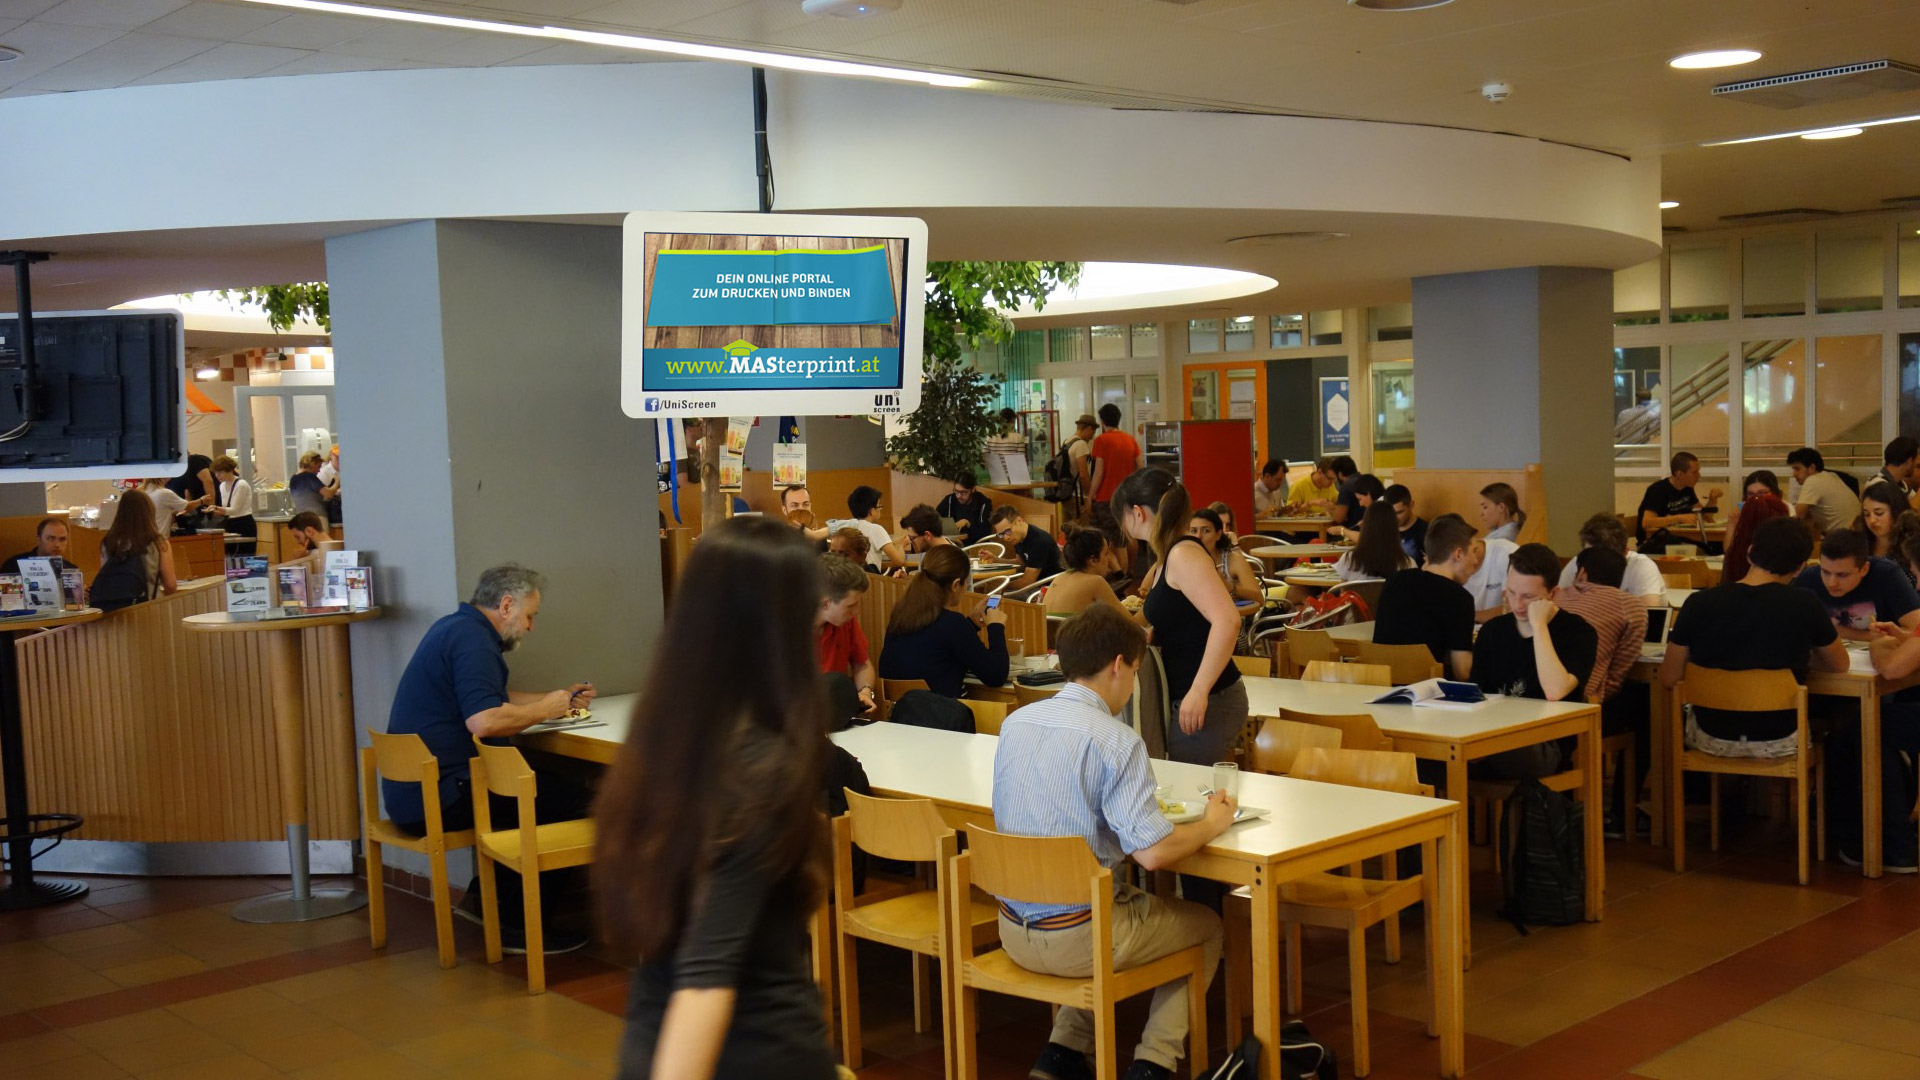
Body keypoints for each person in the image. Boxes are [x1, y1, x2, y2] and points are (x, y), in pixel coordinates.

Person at [593, 517, 839, 1080]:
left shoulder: (666, 740)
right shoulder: (760, 767)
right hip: (753, 1055)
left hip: (650, 1035)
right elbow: (706, 978)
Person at [991, 603, 1230, 1080]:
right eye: (1137, 671)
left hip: (1013, 928)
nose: (1134, 684)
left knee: (1101, 902)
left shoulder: (1016, 722)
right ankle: (1153, 1064)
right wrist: (1211, 824)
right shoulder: (1116, 740)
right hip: (1080, 937)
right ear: (1119, 665)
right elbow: (1153, 854)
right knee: (1206, 926)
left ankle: (1061, 1053)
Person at [387, 564, 597, 953]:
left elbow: (491, 698)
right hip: (438, 795)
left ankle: (483, 902)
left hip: (413, 791)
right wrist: (545, 710)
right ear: (506, 605)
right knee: (570, 803)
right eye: (530, 616)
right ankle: (520, 926)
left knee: (538, 790)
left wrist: (556, 700)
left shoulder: (454, 627)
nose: (530, 626)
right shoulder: (474, 641)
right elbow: (484, 720)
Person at [1662, 518, 1846, 758]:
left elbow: (1669, 677)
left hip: (1711, 734)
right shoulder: (1806, 603)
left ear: (1749, 553)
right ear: (1800, 567)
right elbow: (1840, 665)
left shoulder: (1698, 603)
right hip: (1780, 736)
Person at [1113, 468, 1245, 770]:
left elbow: (1228, 621)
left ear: (1137, 512)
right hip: (1188, 694)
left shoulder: (1183, 554)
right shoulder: (1169, 554)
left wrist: (1199, 691)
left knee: (1192, 792)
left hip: (1209, 698)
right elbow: (1187, 617)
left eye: (1121, 515)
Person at [1470, 543, 1597, 778]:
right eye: (1511, 592)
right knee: (1425, 757)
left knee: (1495, 748)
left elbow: (1555, 690)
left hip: (1545, 745)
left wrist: (1539, 626)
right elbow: (1477, 695)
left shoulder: (1578, 632)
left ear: (1553, 594)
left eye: (1528, 597)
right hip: (1489, 735)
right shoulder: (1492, 632)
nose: (1517, 605)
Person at [1552, 545, 1650, 835]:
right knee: (1647, 707)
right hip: (1584, 708)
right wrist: (1599, 692)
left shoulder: (1556, 596)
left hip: (1542, 702)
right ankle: (1622, 811)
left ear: (1581, 572)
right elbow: (1618, 673)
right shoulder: (1630, 606)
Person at [877, 544, 1008, 697]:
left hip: (899, 709)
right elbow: (996, 676)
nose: (966, 587)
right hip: (942, 710)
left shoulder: (900, 617)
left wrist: (971, 624)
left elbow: (939, 646)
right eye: (966, 582)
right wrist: (996, 627)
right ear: (955, 585)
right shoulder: (953, 624)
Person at [1373, 513, 1476, 679]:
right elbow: (1463, 672)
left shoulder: (1394, 581)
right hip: (1426, 688)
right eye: (1473, 552)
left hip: (1380, 683)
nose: (1476, 560)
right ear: (1458, 554)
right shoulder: (1459, 598)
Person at [1791, 528, 1920, 640]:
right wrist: (1865, 636)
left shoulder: (1887, 574)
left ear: (1864, 569)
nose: (1832, 583)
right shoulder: (1807, 579)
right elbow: (1797, 626)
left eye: (1842, 575)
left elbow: (1916, 629)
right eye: (1825, 572)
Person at [1554, 512, 1667, 605]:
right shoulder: (1578, 563)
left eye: (1608, 559)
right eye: (1590, 556)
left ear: (1626, 552)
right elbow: (1556, 605)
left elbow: (1649, 615)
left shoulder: (1642, 566)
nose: (1597, 564)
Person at [817, 554, 878, 723]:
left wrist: (865, 692)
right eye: (851, 605)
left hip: (836, 718)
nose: (856, 611)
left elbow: (862, 663)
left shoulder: (846, 622)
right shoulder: (783, 631)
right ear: (825, 603)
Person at [92, 490, 178, 611]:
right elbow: (170, 585)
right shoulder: (158, 542)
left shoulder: (108, 541)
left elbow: (106, 574)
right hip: (149, 606)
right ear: (149, 512)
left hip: (115, 608)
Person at [1045, 529, 1145, 623]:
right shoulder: (1095, 582)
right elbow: (1133, 625)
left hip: (1052, 635)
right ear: (1093, 560)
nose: (1109, 560)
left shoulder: (1059, 578)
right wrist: (1151, 601)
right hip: (1076, 635)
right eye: (1106, 554)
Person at [1637, 452, 1723, 551]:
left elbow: (1704, 516)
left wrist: (1713, 499)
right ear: (1680, 474)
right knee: (1703, 550)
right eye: (1694, 472)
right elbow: (1646, 523)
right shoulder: (1658, 490)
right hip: (1654, 542)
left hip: (1679, 537)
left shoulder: (1687, 488)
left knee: (1719, 545)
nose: (1699, 476)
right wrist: (1679, 518)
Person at [1186, 508, 1261, 603]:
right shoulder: (1184, 561)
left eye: (1205, 531)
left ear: (1218, 534)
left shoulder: (1233, 559)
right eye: (1193, 531)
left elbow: (1259, 599)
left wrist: (1229, 587)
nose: (1198, 536)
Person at [1787, 447, 1860, 539]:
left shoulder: (1812, 480)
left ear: (1812, 468)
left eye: (1797, 469)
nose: (1794, 474)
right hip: (1856, 535)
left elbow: (1797, 516)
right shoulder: (1832, 476)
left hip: (1846, 539)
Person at [1331, 501, 1412, 582]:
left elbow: (1343, 589)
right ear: (1395, 529)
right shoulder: (1407, 563)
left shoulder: (1349, 559)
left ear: (1365, 527)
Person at [826, 485, 903, 570]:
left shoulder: (845, 529)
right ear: (871, 511)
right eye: (879, 505)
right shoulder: (876, 529)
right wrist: (902, 545)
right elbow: (899, 561)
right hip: (868, 576)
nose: (881, 509)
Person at [989, 505, 1061, 586]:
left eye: (1008, 531)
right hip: (1034, 586)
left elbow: (1026, 582)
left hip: (1047, 588)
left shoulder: (1038, 542)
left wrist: (999, 585)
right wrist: (995, 559)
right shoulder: (1018, 537)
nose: (1006, 538)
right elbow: (1020, 564)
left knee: (993, 592)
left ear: (1019, 521)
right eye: (1001, 534)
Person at [1088, 403, 1143, 506]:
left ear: (1102, 422)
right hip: (1126, 496)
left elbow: (1099, 472)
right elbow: (1140, 467)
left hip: (1106, 497)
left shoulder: (1101, 440)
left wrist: (1090, 497)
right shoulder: (1131, 439)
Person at [204, 455, 257, 557]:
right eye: (216, 473)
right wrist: (215, 510)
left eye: (220, 472)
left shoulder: (241, 485)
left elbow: (234, 509)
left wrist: (216, 508)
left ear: (230, 470)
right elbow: (227, 509)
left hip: (244, 522)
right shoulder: (222, 486)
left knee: (245, 555)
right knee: (230, 556)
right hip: (230, 522)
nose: (217, 476)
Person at [0, 517, 70, 576]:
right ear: (39, 539)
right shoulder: (14, 565)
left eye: (62, 539)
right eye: (51, 538)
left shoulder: (70, 570)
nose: (57, 545)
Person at [1857, 481, 1906, 561]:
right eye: (1867, 514)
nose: (1872, 520)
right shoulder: (1859, 544)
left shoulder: (1912, 546)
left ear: (1896, 511)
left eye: (1879, 513)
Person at [936, 475, 993, 544]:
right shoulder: (950, 500)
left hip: (975, 545)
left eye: (963, 492)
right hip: (952, 544)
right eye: (956, 491)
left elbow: (986, 532)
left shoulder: (983, 503)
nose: (959, 496)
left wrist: (968, 524)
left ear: (973, 489)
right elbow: (935, 518)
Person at [288, 450, 339, 524]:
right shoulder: (310, 477)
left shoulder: (293, 479)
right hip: (316, 518)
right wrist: (337, 482)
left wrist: (331, 485)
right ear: (312, 464)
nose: (319, 471)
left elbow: (313, 495)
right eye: (318, 467)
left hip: (301, 519)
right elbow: (329, 494)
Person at [1384, 484, 1426, 566]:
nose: (1395, 518)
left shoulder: (1424, 532)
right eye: (1391, 513)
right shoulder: (1385, 529)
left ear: (1411, 505)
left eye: (1399, 512)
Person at [1066, 413, 1099, 514]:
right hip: (1080, 497)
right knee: (1083, 523)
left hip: (1068, 494)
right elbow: (1083, 475)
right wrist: (1091, 495)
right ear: (1089, 428)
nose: (1092, 437)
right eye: (1092, 432)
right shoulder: (1081, 444)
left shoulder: (1067, 442)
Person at [1878, 436, 1920, 503]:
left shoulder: (1901, 485)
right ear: (1909, 461)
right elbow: (1906, 509)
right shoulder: (1878, 485)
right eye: (1918, 465)